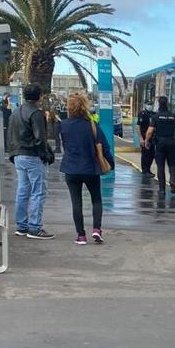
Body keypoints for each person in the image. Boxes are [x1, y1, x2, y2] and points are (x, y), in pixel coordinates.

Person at [59, 93, 114, 245]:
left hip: (71, 169)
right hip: (90, 168)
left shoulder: (63, 125)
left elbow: (66, 145)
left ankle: (81, 236)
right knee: (96, 199)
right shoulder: (92, 125)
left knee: (76, 202)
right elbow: (105, 146)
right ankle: (97, 229)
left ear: (69, 107)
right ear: (84, 106)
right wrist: (110, 163)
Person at [7, 83, 55, 240]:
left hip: (18, 155)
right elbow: (40, 137)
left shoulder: (15, 112)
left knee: (22, 191)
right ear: (39, 97)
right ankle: (35, 227)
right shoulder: (36, 113)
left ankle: (22, 226)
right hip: (33, 156)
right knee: (38, 191)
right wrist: (45, 155)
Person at [144, 96, 175, 194]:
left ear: (159, 104)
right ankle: (172, 181)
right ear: (167, 103)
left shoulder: (156, 116)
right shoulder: (173, 116)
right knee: (172, 164)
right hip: (171, 142)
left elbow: (149, 131)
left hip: (160, 143)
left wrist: (147, 141)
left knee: (160, 166)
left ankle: (162, 189)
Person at [137, 101, 155, 177]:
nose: (150, 106)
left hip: (152, 137)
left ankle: (148, 169)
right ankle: (144, 170)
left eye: (151, 105)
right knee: (145, 154)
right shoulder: (142, 114)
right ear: (145, 105)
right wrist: (141, 138)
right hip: (144, 137)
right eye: (148, 105)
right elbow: (138, 127)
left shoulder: (154, 114)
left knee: (151, 154)